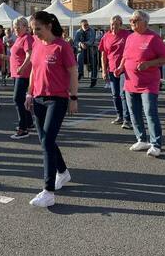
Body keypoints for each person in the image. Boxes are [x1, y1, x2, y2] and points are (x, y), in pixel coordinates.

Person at [24, 11, 77, 207]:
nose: (35, 33)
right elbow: (34, 71)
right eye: (32, 29)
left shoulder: (62, 47)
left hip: (58, 99)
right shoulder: (37, 44)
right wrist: (29, 93)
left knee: (47, 141)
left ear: (48, 25)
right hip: (38, 98)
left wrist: (73, 97)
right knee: (46, 140)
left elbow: (73, 73)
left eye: (38, 28)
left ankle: (48, 191)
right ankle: (62, 173)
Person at [115, 10, 165, 158]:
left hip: (148, 83)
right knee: (134, 112)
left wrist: (149, 64)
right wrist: (120, 67)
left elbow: (164, 58)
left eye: (135, 20)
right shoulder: (130, 37)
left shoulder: (153, 38)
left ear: (145, 22)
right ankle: (141, 139)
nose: (132, 22)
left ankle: (156, 144)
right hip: (130, 82)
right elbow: (125, 56)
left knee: (150, 112)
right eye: (131, 20)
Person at [99, 15, 132, 129]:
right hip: (112, 69)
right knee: (115, 95)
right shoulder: (106, 36)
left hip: (125, 69)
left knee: (123, 94)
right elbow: (103, 55)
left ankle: (127, 119)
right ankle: (119, 116)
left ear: (121, 24)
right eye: (112, 24)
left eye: (117, 24)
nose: (114, 26)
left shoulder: (127, 34)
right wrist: (104, 70)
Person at [9, 16, 35, 139]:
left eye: (18, 27)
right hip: (16, 73)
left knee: (17, 99)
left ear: (25, 27)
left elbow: (29, 55)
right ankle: (29, 122)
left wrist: (22, 67)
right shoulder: (19, 38)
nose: (16, 29)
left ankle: (23, 128)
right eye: (14, 27)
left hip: (23, 74)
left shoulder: (27, 38)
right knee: (22, 99)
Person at [74, 19, 98, 87]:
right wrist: (80, 44)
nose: (87, 26)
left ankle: (93, 80)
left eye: (87, 24)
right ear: (81, 25)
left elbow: (91, 40)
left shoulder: (92, 31)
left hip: (91, 50)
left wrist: (84, 44)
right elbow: (75, 41)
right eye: (85, 25)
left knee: (93, 64)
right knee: (79, 56)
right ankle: (80, 73)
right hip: (82, 51)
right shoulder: (78, 32)